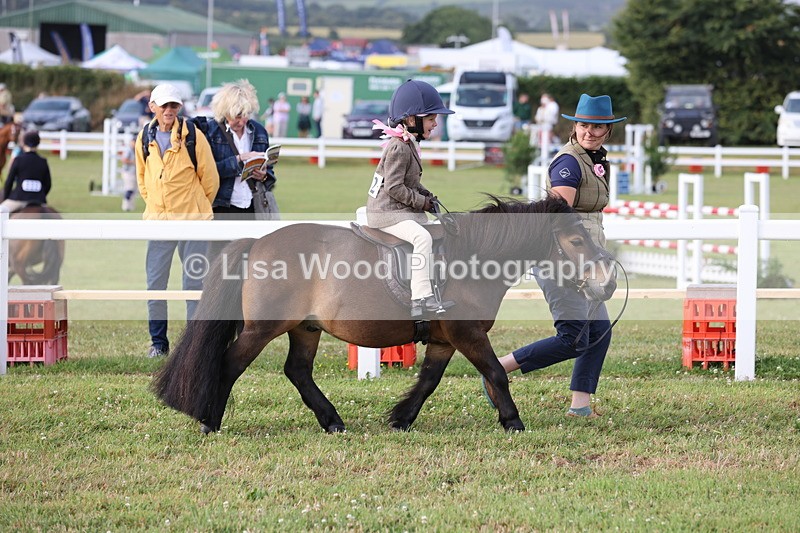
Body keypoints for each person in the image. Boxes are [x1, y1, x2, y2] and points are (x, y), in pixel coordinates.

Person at [483, 93, 625, 418]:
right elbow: (560, 220)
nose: (590, 131)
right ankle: (497, 369)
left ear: (608, 131)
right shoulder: (569, 163)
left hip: (587, 262)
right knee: (572, 338)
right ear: (575, 125)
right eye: (584, 124)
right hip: (565, 263)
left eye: (598, 127)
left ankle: (580, 406)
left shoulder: (594, 161)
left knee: (599, 332)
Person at [136, 83, 219, 358]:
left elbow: (210, 179)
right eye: (164, 105)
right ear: (153, 107)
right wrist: (157, 206)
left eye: (174, 105)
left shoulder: (193, 136)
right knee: (155, 284)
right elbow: (142, 180)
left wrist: (194, 208)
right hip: (159, 222)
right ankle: (158, 343)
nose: (169, 110)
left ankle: (193, 344)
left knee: (194, 283)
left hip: (193, 221)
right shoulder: (143, 137)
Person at [365, 79, 455, 318]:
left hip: (396, 210)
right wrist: (421, 203)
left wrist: (427, 196)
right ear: (411, 120)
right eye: (431, 118)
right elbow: (394, 188)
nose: (435, 123)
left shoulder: (408, 144)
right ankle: (420, 298)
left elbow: (410, 183)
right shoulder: (398, 147)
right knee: (422, 237)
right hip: (385, 213)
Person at [201, 79, 274, 255]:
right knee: (217, 261)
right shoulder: (210, 131)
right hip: (221, 206)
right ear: (224, 112)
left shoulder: (259, 131)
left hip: (251, 205)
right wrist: (239, 160)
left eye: (246, 114)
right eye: (237, 116)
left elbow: (270, 173)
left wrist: (263, 174)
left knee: (248, 262)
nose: (242, 121)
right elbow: (207, 172)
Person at [1, 131, 50, 213]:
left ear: (24, 143)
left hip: (19, 197)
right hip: (38, 200)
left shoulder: (18, 160)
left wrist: (6, 197)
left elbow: (9, 182)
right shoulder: (43, 161)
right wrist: (40, 196)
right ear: (38, 143)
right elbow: (48, 184)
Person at [120, 138, 137, 212]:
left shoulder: (134, 151)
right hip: (128, 172)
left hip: (133, 172)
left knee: (133, 189)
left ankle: (130, 206)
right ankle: (126, 206)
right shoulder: (129, 150)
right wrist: (133, 162)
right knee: (129, 189)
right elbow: (124, 159)